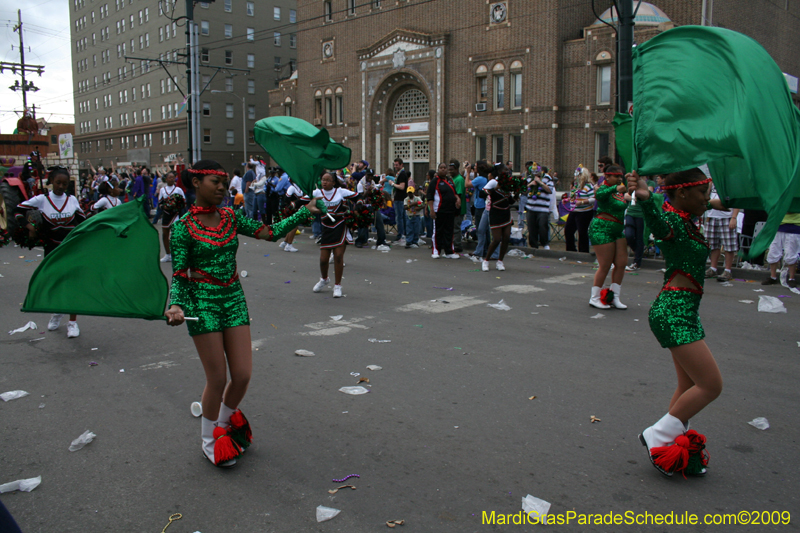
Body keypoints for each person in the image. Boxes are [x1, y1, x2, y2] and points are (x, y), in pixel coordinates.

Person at [165, 160, 319, 467]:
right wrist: (176, 305)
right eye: (215, 182)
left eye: (224, 182)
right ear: (196, 184)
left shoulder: (231, 217)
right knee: (218, 377)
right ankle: (210, 440)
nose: (222, 187)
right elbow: (180, 273)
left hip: (233, 298)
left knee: (243, 375)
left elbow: (270, 232)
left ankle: (223, 423)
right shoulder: (182, 228)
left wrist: (305, 212)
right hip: (202, 303)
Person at [631, 168, 724, 478]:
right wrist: (645, 200)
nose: (706, 199)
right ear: (683, 193)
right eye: (702, 193)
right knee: (711, 385)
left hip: (684, 310)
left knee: (689, 385)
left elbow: (715, 203)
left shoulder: (685, 214)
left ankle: (668, 445)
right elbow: (658, 224)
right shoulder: (671, 220)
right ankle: (657, 435)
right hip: (673, 312)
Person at [15, 167, 86, 338]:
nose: (62, 186)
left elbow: (84, 222)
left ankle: (72, 323)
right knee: (55, 284)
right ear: (51, 182)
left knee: (72, 285)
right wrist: (29, 226)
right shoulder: (42, 200)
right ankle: (57, 312)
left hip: (71, 249)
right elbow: (17, 210)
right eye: (58, 183)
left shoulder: (72, 200)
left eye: (65, 183)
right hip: (52, 249)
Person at [587, 164, 628, 309]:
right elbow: (600, 196)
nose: (619, 178)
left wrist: (627, 197)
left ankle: (615, 296)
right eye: (616, 176)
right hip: (602, 228)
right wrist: (616, 188)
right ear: (607, 176)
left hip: (617, 230)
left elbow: (621, 206)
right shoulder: (603, 188)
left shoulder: (619, 191)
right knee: (605, 265)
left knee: (621, 263)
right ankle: (595, 297)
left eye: (620, 176)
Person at [313, 172, 357, 297]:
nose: (325, 182)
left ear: (333, 182)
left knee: (338, 257)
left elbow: (357, 196)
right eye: (323, 179)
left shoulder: (340, 192)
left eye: (327, 180)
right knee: (323, 260)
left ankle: (337, 285)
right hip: (326, 228)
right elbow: (303, 201)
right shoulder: (317, 193)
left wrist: (358, 205)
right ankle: (324, 279)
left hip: (340, 227)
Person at [481, 163, 518, 271]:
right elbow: (481, 194)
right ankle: (486, 260)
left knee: (506, 238)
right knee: (497, 239)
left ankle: (500, 261)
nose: (507, 171)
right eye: (505, 170)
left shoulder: (507, 183)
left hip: (506, 213)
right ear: (499, 171)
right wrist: (496, 188)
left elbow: (509, 200)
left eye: (508, 170)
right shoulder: (493, 182)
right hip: (495, 213)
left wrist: (517, 194)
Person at [704, 183, 740, 282]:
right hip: (711, 217)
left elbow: (736, 200)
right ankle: (713, 268)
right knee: (712, 245)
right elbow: (706, 196)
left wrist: (734, 217)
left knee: (729, 245)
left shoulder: (730, 181)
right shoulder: (711, 181)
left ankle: (727, 270)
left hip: (727, 217)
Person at [426, 162, 460, 259]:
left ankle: (449, 251)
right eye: (441, 168)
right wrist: (431, 210)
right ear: (438, 169)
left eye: (445, 167)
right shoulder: (434, 181)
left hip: (450, 211)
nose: (443, 169)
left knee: (449, 231)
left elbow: (455, 193)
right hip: (439, 210)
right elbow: (430, 197)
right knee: (438, 231)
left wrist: (457, 199)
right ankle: (436, 250)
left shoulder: (450, 181)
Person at [625, 176, 656, 271]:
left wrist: (635, 196)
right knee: (628, 235)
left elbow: (647, 195)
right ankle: (639, 251)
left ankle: (636, 262)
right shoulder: (632, 183)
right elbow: (626, 195)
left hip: (641, 214)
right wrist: (633, 198)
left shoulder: (650, 183)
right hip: (630, 212)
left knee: (639, 238)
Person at [761, 212, 800, 287]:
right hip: (777, 225)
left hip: (795, 226)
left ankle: (792, 278)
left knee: (791, 253)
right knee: (773, 252)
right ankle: (773, 277)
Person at [565, 167, 595, 253]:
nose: (575, 177)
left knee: (582, 232)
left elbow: (593, 199)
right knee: (568, 230)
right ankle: (571, 250)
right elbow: (573, 197)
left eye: (578, 175)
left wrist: (582, 202)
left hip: (584, 212)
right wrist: (567, 200)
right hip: (574, 211)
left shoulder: (588, 186)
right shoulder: (575, 186)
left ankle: (583, 251)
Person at [157, 171, 186, 262]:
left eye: (173, 177)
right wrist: (164, 206)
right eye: (169, 177)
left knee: (175, 235)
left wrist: (176, 206)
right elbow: (160, 203)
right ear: (166, 179)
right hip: (166, 215)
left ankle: (176, 253)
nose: (171, 179)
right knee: (165, 234)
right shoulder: (162, 190)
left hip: (176, 215)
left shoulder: (178, 190)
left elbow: (183, 203)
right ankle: (168, 254)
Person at [526, 164, 554, 250]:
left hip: (543, 208)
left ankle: (545, 243)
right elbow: (523, 190)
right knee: (531, 228)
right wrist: (530, 184)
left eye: (536, 171)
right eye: (533, 171)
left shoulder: (547, 178)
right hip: (530, 207)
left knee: (543, 226)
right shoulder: (529, 178)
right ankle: (534, 246)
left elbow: (550, 190)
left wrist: (540, 183)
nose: (535, 173)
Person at [278, 179, 308, 253]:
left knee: (292, 226)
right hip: (290, 209)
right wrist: (293, 204)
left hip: (295, 209)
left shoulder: (299, 187)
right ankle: (289, 245)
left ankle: (285, 242)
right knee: (294, 226)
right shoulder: (291, 187)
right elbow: (286, 198)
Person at [471, 161, 490, 259]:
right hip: (485, 205)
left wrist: (466, 171)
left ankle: (481, 251)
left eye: (476, 166)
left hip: (480, 206)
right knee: (486, 230)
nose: (474, 167)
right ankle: (486, 250)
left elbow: (468, 184)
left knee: (480, 230)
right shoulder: (485, 178)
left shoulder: (480, 179)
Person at [451, 160, 469, 253]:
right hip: (452, 209)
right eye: (449, 170)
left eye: (452, 170)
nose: (450, 171)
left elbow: (458, 194)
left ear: (457, 169)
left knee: (456, 228)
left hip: (458, 209)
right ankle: (453, 243)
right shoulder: (453, 179)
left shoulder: (459, 179)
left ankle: (457, 245)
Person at [391, 158, 409, 243]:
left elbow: (402, 187)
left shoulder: (401, 174)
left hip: (400, 199)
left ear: (402, 165)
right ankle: (404, 233)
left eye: (397, 165)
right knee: (402, 217)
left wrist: (393, 184)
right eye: (394, 165)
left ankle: (400, 234)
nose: (395, 166)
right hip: (399, 198)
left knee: (400, 217)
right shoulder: (400, 174)